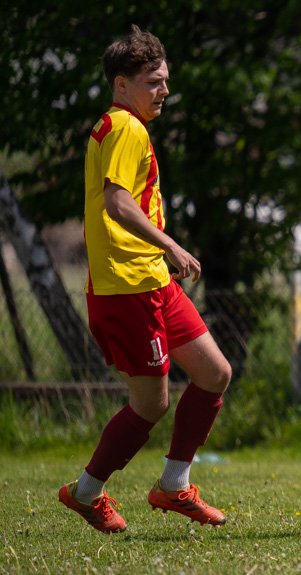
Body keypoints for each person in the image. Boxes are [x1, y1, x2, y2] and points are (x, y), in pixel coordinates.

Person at [58, 25, 232, 534]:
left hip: (152, 281)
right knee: (151, 403)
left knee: (214, 374)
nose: (164, 91)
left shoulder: (127, 126)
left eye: (165, 80)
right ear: (121, 85)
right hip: (126, 287)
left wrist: (163, 257)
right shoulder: (123, 126)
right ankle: (86, 492)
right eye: (153, 81)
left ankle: (174, 487)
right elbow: (117, 201)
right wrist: (171, 244)